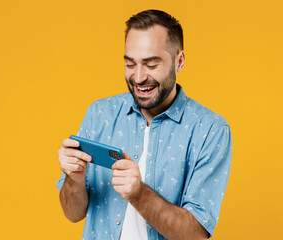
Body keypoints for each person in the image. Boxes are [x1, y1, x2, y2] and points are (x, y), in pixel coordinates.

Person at [56, 9, 232, 240]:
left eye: (150, 65)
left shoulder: (210, 130)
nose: (138, 78)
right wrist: (74, 179)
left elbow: (195, 235)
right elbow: (72, 213)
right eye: (131, 64)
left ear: (179, 61)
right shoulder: (99, 114)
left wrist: (139, 193)